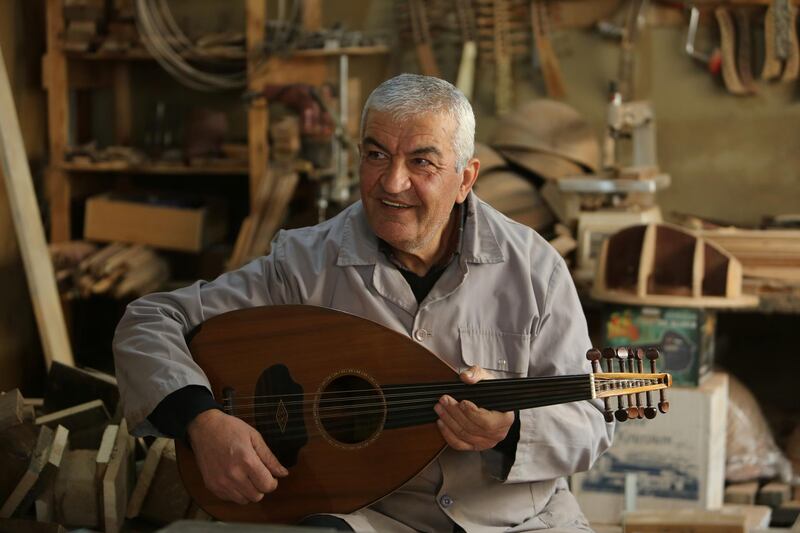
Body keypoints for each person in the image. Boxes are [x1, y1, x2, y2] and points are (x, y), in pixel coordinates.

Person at [113, 73, 614, 532]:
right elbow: (151, 320)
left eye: (421, 161)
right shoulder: (304, 263)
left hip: (518, 523)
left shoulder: (535, 269)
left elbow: (591, 422)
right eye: (376, 155)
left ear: (465, 178)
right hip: (377, 521)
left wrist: (509, 430)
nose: (392, 183)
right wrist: (201, 421)